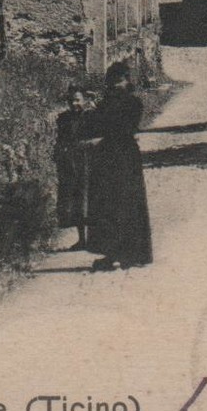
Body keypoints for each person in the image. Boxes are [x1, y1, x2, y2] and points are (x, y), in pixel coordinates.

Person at [80, 60, 153, 271]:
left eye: (119, 81)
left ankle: (131, 253)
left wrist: (101, 128)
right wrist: (92, 114)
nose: (115, 86)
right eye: (111, 82)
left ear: (128, 82)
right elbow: (92, 128)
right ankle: (111, 253)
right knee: (107, 206)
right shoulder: (103, 104)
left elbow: (124, 128)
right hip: (105, 159)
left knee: (127, 204)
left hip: (125, 158)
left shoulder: (133, 103)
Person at [53, 86, 90, 251]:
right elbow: (60, 141)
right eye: (71, 100)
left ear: (85, 101)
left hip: (89, 161)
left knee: (91, 200)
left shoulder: (91, 117)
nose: (74, 103)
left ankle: (96, 239)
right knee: (76, 201)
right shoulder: (63, 119)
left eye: (78, 100)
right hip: (71, 163)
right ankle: (82, 239)